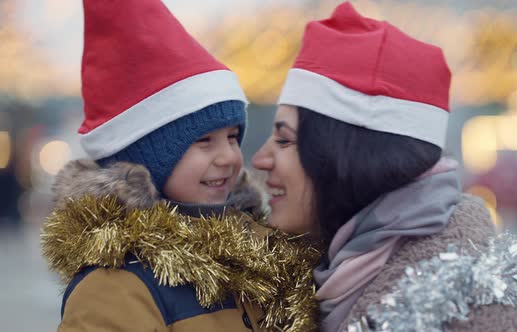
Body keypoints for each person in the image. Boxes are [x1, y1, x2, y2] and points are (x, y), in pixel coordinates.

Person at [252, 2, 517, 331]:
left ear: (346, 157)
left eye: (284, 140)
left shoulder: (463, 312)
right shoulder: (343, 273)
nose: (259, 159)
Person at [41, 1, 319, 331]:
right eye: (204, 141)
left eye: (232, 137)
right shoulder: (114, 288)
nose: (229, 156)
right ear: (144, 162)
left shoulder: (268, 254)